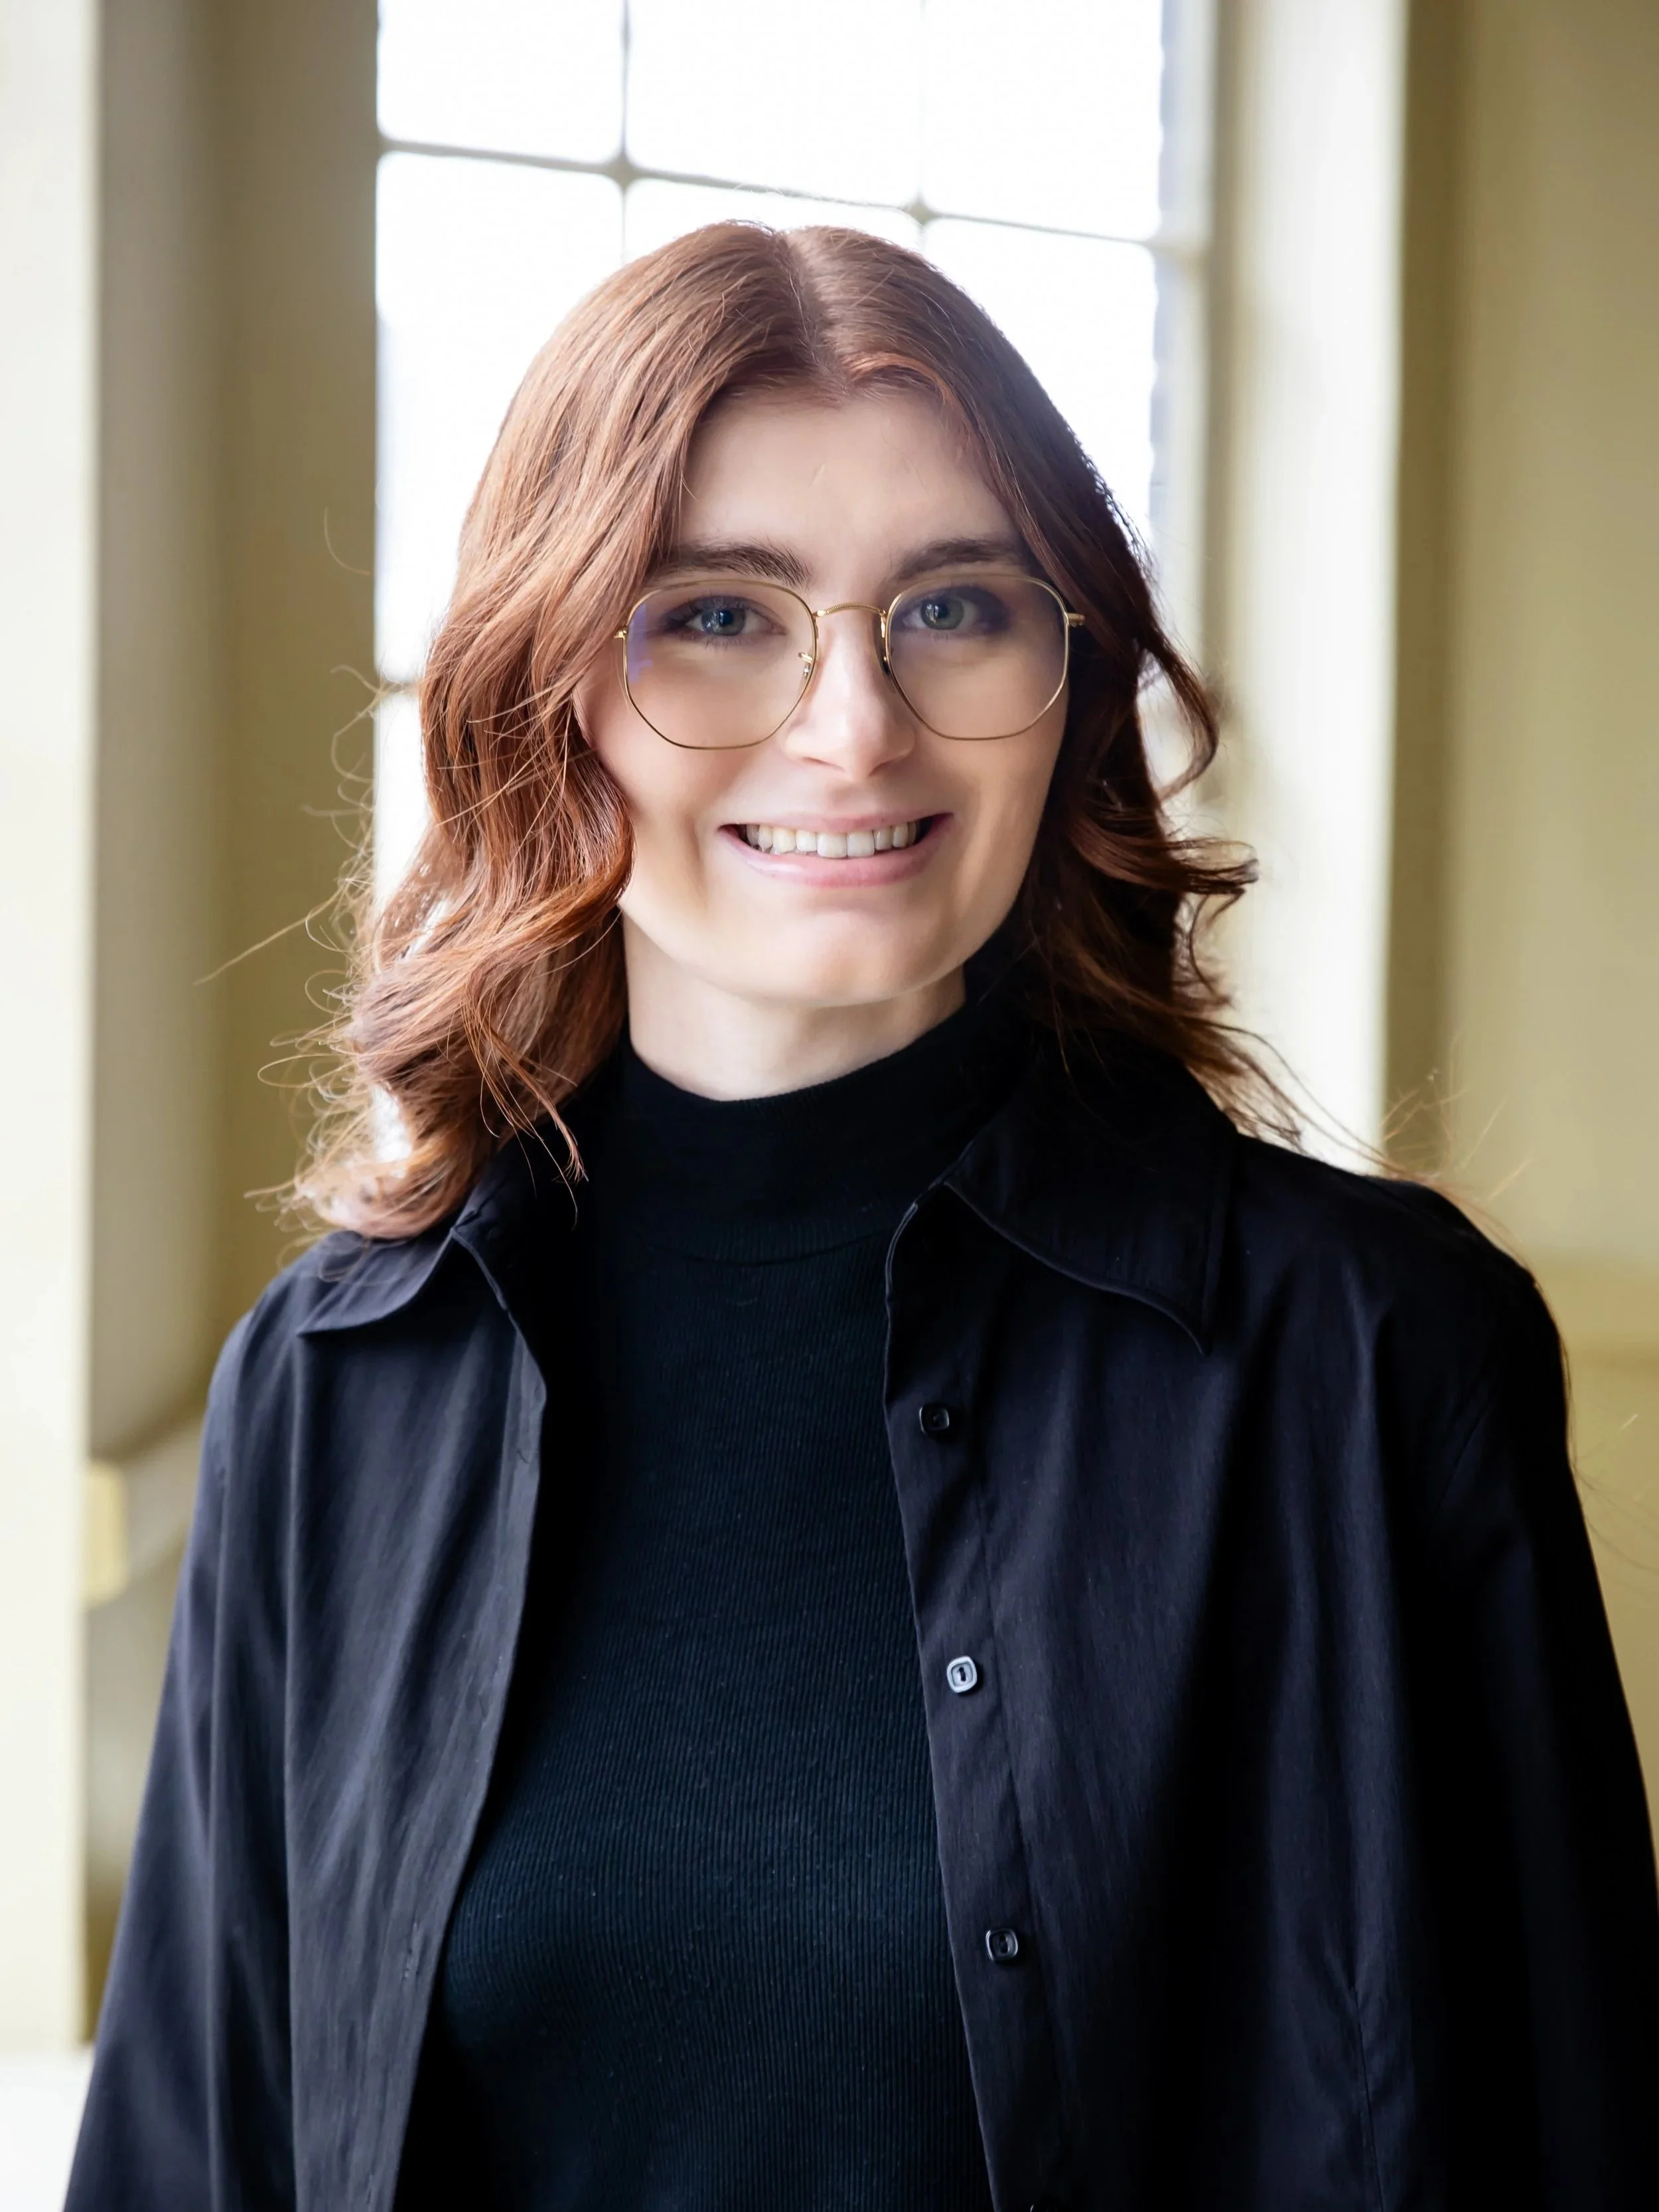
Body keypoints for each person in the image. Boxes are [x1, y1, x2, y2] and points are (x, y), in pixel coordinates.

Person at [69, 224, 1659, 2212]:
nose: (854, 728)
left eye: (955, 607)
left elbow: (1571, 2137)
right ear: (545, 695)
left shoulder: (1368, 1353)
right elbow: (191, 2155)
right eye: (717, 615)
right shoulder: (335, 1385)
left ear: (1070, 685)